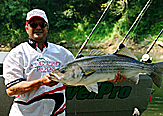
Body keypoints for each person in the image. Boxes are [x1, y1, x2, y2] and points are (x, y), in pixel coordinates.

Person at [3, 9, 126, 116]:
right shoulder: (17, 54)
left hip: (57, 113)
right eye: (33, 24)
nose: (38, 27)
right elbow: (11, 90)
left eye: (42, 24)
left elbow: (82, 77)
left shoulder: (63, 53)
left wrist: (108, 76)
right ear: (26, 28)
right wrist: (40, 82)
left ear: (47, 27)